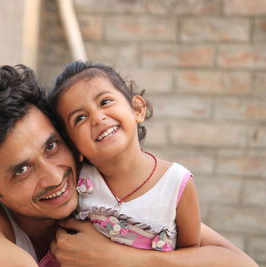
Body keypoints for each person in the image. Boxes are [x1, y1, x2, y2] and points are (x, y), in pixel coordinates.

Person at [0, 64, 258, 267]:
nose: (54, 177)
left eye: (51, 146)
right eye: (22, 170)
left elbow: (239, 264)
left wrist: (121, 258)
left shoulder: (104, 192)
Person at [48, 61, 200, 252]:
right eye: (79, 118)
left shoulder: (177, 183)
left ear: (137, 109)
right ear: (73, 145)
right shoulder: (76, 182)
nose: (97, 118)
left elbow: (191, 255)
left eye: (105, 102)